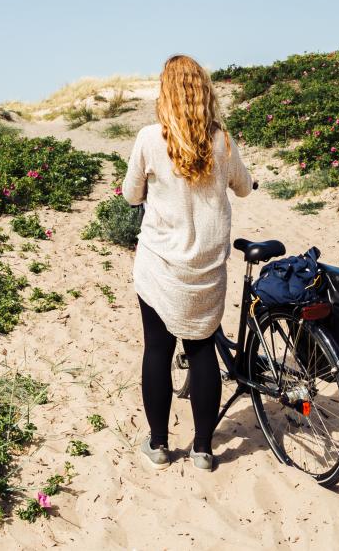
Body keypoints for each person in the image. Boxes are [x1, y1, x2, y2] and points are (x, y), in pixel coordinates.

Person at [121, 54, 254, 471]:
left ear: (166, 92)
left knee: (157, 351)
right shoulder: (221, 141)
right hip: (207, 267)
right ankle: (202, 450)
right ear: (203, 91)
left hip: (161, 264)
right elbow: (245, 188)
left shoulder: (148, 138)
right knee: (201, 352)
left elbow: (131, 195)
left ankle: (159, 445)